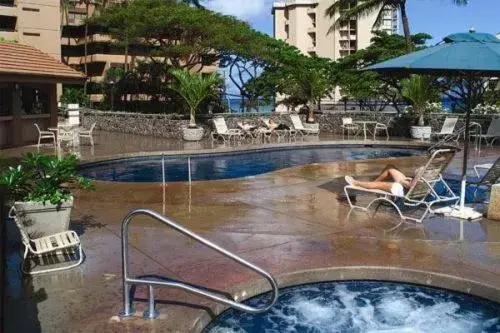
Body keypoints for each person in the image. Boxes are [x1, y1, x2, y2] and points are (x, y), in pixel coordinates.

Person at [345, 166, 421, 197]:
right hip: (409, 185)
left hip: (403, 190)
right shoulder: (430, 171)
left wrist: (403, 182)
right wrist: (410, 180)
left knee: (379, 185)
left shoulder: (424, 170)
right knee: (390, 168)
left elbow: (411, 187)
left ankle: (356, 183)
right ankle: (371, 184)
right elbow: (417, 184)